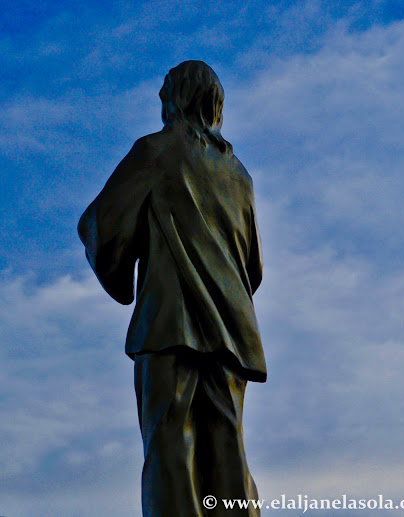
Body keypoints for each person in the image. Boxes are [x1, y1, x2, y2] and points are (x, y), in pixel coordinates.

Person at [78, 60, 265, 516]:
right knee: (228, 444)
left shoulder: (154, 152)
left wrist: (125, 268)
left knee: (170, 440)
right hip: (230, 331)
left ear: (173, 98)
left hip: (169, 322)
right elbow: (252, 268)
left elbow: (101, 223)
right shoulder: (238, 175)